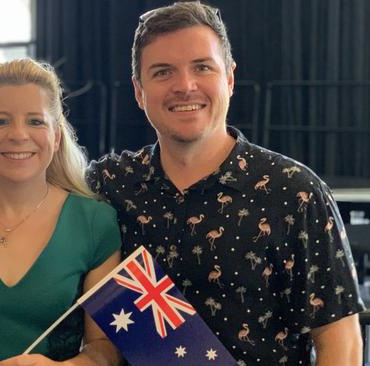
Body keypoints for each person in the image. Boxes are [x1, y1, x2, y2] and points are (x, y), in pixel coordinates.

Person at [87, 2, 364, 365]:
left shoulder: (295, 193)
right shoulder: (108, 185)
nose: (185, 86)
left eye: (202, 67)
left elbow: (339, 339)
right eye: (162, 72)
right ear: (139, 92)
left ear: (229, 79)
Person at [0, 58, 123, 366]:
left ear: (56, 138)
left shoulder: (95, 222)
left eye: (35, 121)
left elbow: (105, 347)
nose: (18, 135)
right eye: (0, 121)